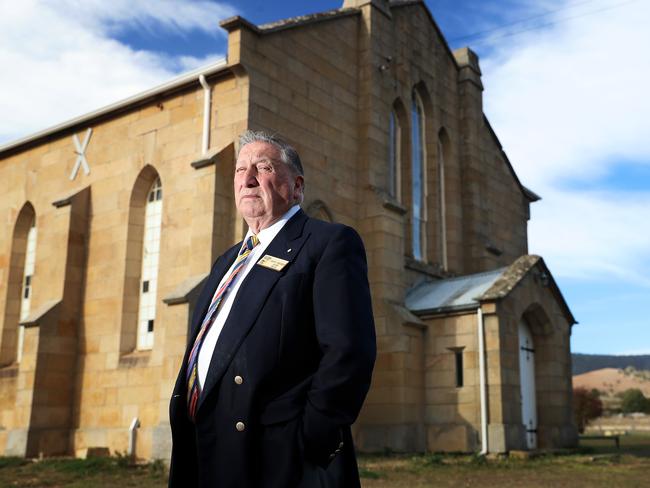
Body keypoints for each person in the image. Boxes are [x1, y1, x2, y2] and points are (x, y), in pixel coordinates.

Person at [168, 130, 376, 488]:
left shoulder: (327, 243)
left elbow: (349, 352)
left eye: (262, 167)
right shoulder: (226, 261)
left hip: (276, 459)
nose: (247, 179)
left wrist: (311, 439)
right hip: (204, 446)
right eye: (240, 169)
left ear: (296, 187)